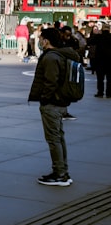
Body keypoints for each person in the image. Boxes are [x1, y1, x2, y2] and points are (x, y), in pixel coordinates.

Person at [29, 28, 80, 187]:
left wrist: (44, 98)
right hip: (60, 102)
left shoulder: (51, 57)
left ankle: (60, 174)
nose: (40, 42)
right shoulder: (61, 54)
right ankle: (62, 171)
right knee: (58, 137)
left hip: (52, 103)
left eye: (41, 39)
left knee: (53, 139)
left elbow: (51, 81)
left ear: (46, 40)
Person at [89, 23, 110, 97]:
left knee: (100, 78)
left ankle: (100, 92)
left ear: (102, 29)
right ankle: (109, 93)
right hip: (110, 61)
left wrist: (96, 34)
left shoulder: (98, 37)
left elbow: (90, 42)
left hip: (100, 60)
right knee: (109, 78)